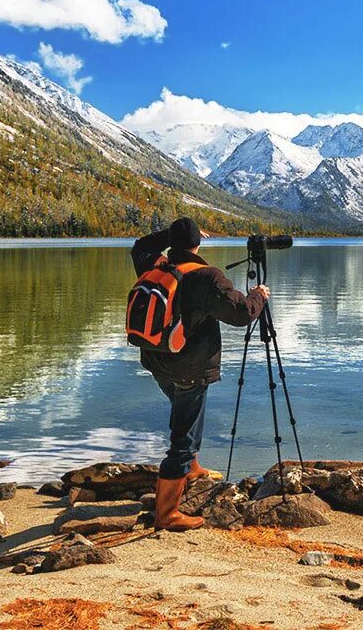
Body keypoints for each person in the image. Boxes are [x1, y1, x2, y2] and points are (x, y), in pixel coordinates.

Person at [131, 217, 269, 531]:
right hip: (190, 368)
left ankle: (191, 469)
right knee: (183, 437)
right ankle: (167, 514)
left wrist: (170, 235)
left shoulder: (154, 266)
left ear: (172, 243)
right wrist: (259, 295)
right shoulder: (206, 276)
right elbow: (241, 314)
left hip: (157, 362)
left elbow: (140, 245)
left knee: (183, 413)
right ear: (198, 243)